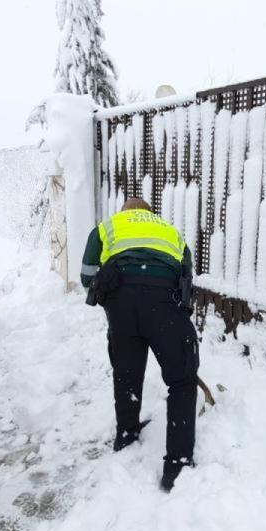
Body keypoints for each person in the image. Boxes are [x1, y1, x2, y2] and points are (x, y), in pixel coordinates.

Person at [81, 198, 199, 492]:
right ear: (149, 214)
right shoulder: (171, 232)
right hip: (164, 306)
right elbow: (187, 277)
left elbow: (86, 277)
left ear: (126, 212)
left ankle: (127, 434)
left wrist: (116, 297)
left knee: (126, 374)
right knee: (182, 382)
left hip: (121, 306)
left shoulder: (106, 228)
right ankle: (177, 467)